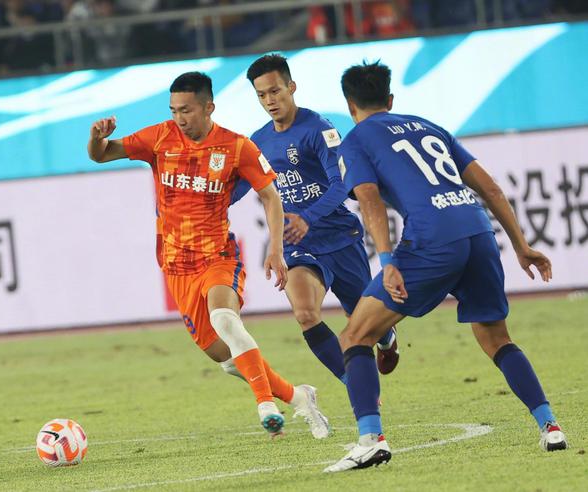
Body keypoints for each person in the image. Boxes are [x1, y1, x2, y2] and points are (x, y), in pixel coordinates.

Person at [324, 61, 567, 472]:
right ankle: (551, 426)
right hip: (477, 231)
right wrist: (521, 245)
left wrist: (387, 261)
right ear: (390, 99)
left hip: (432, 239)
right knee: (496, 338)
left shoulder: (356, 140)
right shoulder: (428, 126)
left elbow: (368, 199)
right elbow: (490, 188)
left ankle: (370, 440)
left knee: (355, 335)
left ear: (350, 105)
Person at [87, 71, 329, 438]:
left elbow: (270, 195)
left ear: (208, 108)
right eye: (174, 110)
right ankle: (298, 397)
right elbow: (102, 154)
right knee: (227, 359)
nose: (179, 118)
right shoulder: (159, 137)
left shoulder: (237, 147)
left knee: (225, 320)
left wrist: (276, 249)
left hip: (218, 257)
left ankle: (265, 404)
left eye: (186, 110)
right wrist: (96, 138)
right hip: (176, 265)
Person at [234, 55, 399, 402]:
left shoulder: (319, 129)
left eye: (275, 91)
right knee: (306, 314)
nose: (269, 101)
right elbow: (241, 188)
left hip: (339, 237)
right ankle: (355, 383)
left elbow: (341, 185)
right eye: (261, 95)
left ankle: (387, 339)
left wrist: (308, 216)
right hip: (298, 244)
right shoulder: (258, 141)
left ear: (291, 87)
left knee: (364, 320)